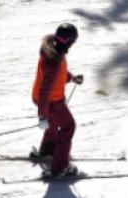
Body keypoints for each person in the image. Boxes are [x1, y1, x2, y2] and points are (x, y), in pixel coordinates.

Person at [32, 23, 84, 178]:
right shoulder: (54, 61)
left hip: (45, 99)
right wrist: (42, 115)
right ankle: (60, 168)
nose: (72, 45)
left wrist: (72, 78)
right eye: (72, 42)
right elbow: (45, 90)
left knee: (54, 124)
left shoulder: (53, 51)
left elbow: (59, 73)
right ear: (68, 41)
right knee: (68, 126)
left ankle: (48, 151)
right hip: (51, 102)